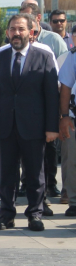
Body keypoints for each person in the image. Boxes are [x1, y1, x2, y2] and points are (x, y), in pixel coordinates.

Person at [0, 14, 59, 231]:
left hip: (34, 126)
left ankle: (35, 213)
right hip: (4, 126)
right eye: (12, 29)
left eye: (21, 29)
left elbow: (51, 96)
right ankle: (6, 214)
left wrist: (51, 127)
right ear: (7, 32)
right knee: (6, 174)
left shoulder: (43, 57)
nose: (16, 33)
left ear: (31, 32)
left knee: (35, 173)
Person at [20, 4, 64, 200]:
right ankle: (26, 185)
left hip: (44, 111)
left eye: (33, 32)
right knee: (25, 153)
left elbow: (55, 83)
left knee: (48, 152)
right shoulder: (7, 51)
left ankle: (49, 186)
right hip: (21, 112)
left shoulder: (46, 49)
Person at [58, 49, 76, 217]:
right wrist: (64, 116)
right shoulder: (74, 55)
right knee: (72, 160)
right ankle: (74, 201)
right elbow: (66, 85)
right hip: (74, 117)